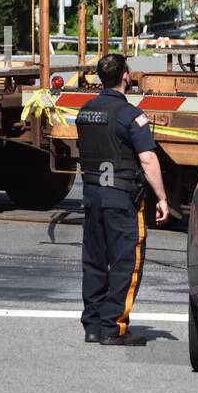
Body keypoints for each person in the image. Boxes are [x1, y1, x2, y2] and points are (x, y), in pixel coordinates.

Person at [76, 53, 169, 345]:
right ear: (126, 76)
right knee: (125, 262)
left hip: (91, 195)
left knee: (93, 260)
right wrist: (162, 198)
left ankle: (93, 326)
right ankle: (113, 328)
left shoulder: (85, 111)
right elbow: (148, 158)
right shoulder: (131, 115)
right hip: (120, 196)